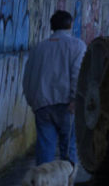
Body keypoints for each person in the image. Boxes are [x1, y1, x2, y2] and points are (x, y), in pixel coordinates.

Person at [23, 9, 86, 167]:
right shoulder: (77, 46)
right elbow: (78, 73)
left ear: (52, 27)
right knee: (68, 151)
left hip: (42, 105)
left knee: (45, 149)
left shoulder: (38, 48)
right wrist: (75, 99)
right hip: (67, 105)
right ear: (70, 25)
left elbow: (27, 77)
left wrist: (32, 101)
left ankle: (43, 182)